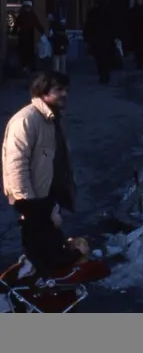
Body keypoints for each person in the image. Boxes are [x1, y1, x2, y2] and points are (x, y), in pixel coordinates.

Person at [1, 71, 79, 275]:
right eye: (58, 90)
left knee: (49, 245)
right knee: (42, 250)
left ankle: (44, 285)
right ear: (42, 92)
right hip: (33, 198)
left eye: (67, 90)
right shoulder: (26, 120)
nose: (65, 94)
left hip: (48, 194)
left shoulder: (51, 118)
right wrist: (26, 201)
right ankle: (33, 293)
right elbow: (16, 163)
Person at [13, 2, 43, 74]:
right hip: (29, 35)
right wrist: (42, 31)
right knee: (28, 51)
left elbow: (16, 26)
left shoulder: (21, 16)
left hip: (24, 35)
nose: (27, 9)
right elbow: (37, 24)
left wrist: (14, 33)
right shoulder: (32, 16)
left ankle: (25, 66)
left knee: (24, 51)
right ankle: (28, 66)